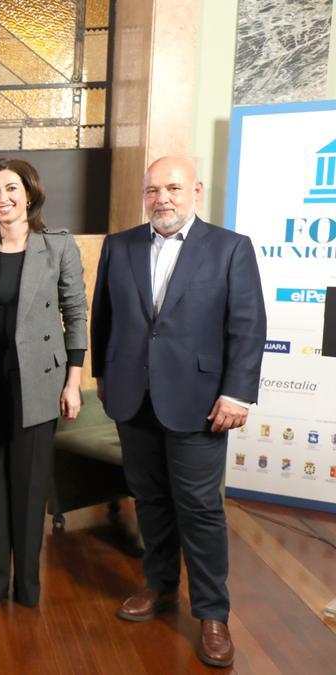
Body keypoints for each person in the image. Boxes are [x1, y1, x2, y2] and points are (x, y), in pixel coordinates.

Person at [92, 156, 266, 668]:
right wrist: (105, 378)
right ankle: (160, 585)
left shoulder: (230, 248)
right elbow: (105, 319)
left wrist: (237, 394)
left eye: (172, 188)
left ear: (195, 190)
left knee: (200, 507)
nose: (161, 198)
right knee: (149, 497)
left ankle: (213, 613)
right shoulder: (119, 245)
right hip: (131, 397)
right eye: (152, 190)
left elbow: (248, 326)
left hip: (200, 402)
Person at [0, 158, 88, 609]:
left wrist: (74, 382)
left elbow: (75, 315)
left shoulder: (59, 247)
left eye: (11, 188)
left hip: (40, 383)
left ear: (28, 194)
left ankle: (27, 585)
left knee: (30, 490)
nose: (2, 198)